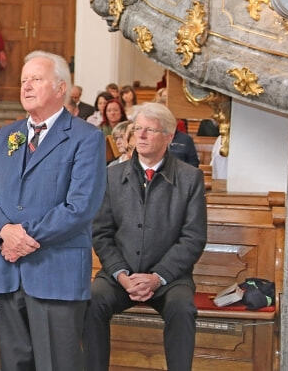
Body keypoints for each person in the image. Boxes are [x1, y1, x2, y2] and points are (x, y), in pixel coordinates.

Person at [0, 51, 106, 370]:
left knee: (56, 364)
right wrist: (4, 233)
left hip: (55, 271)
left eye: (36, 79)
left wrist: (22, 237)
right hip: (9, 271)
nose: (26, 86)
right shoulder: (6, 136)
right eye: (23, 80)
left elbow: (80, 206)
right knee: (14, 363)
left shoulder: (86, 138)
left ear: (61, 88)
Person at [84, 102, 207, 371]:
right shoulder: (111, 175)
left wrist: (157, 277)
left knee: (182, 308)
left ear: (169, 137)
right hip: (121, 274)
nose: (140, 135)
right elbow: (101, 233)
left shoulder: (190, 178)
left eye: (149, 130)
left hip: (170, 278)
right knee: (91, 301)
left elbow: (193, 238)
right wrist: (121, 274)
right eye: (137, 128)